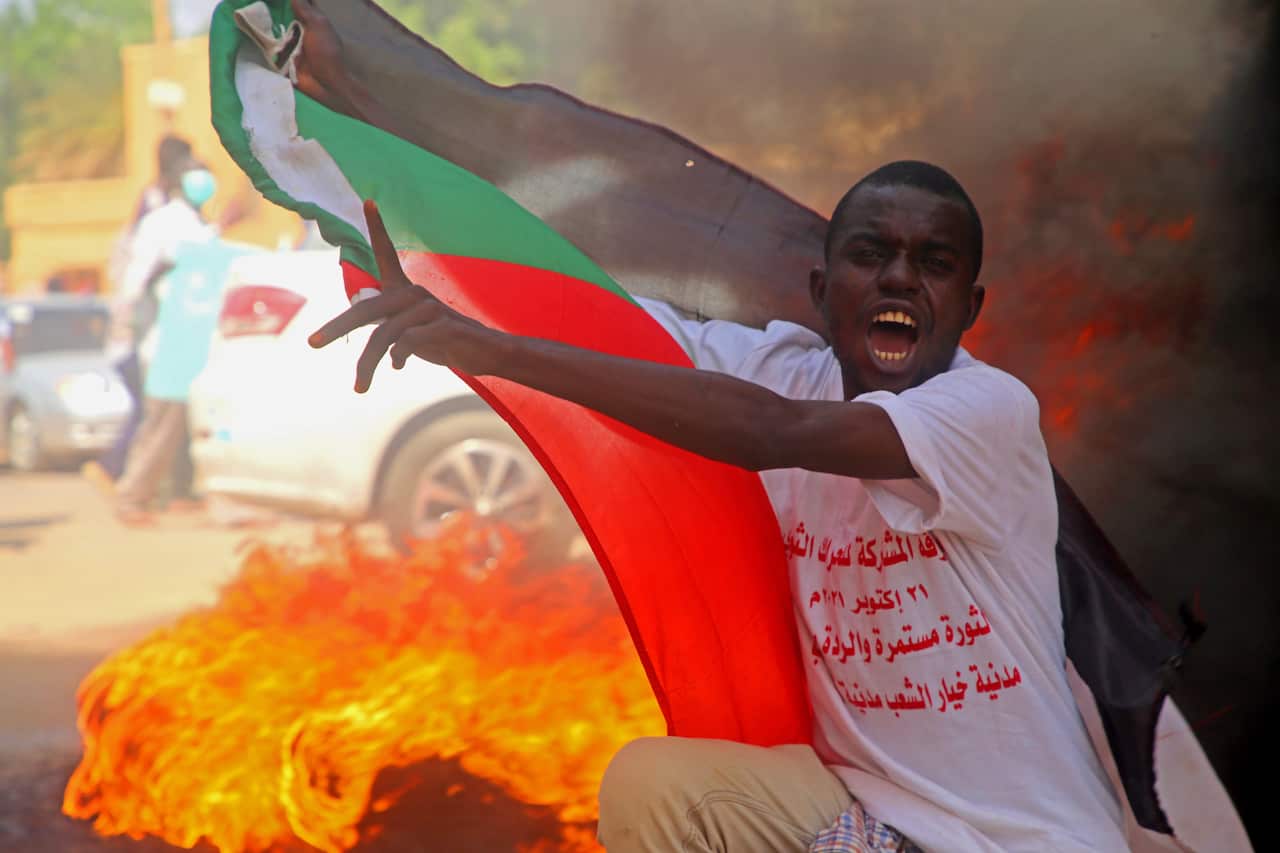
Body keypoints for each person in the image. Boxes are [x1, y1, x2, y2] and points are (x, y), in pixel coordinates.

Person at [83, 135, 199, 496]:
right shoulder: (157, 206)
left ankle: (162, 489)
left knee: (159, 411)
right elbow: (142, 272)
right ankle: (116, 474)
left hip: (159, 328)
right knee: (153, 411)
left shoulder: (170, 204)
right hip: (145, 329)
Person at [110, 157, 221, 525]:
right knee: (162, 423)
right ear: (178, 181)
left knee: (189, 424)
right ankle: (132, 496)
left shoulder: (201, 224)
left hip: (196, 338)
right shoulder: (161, 223)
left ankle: (179, 493)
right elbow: (136, 283)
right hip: (165, 341)